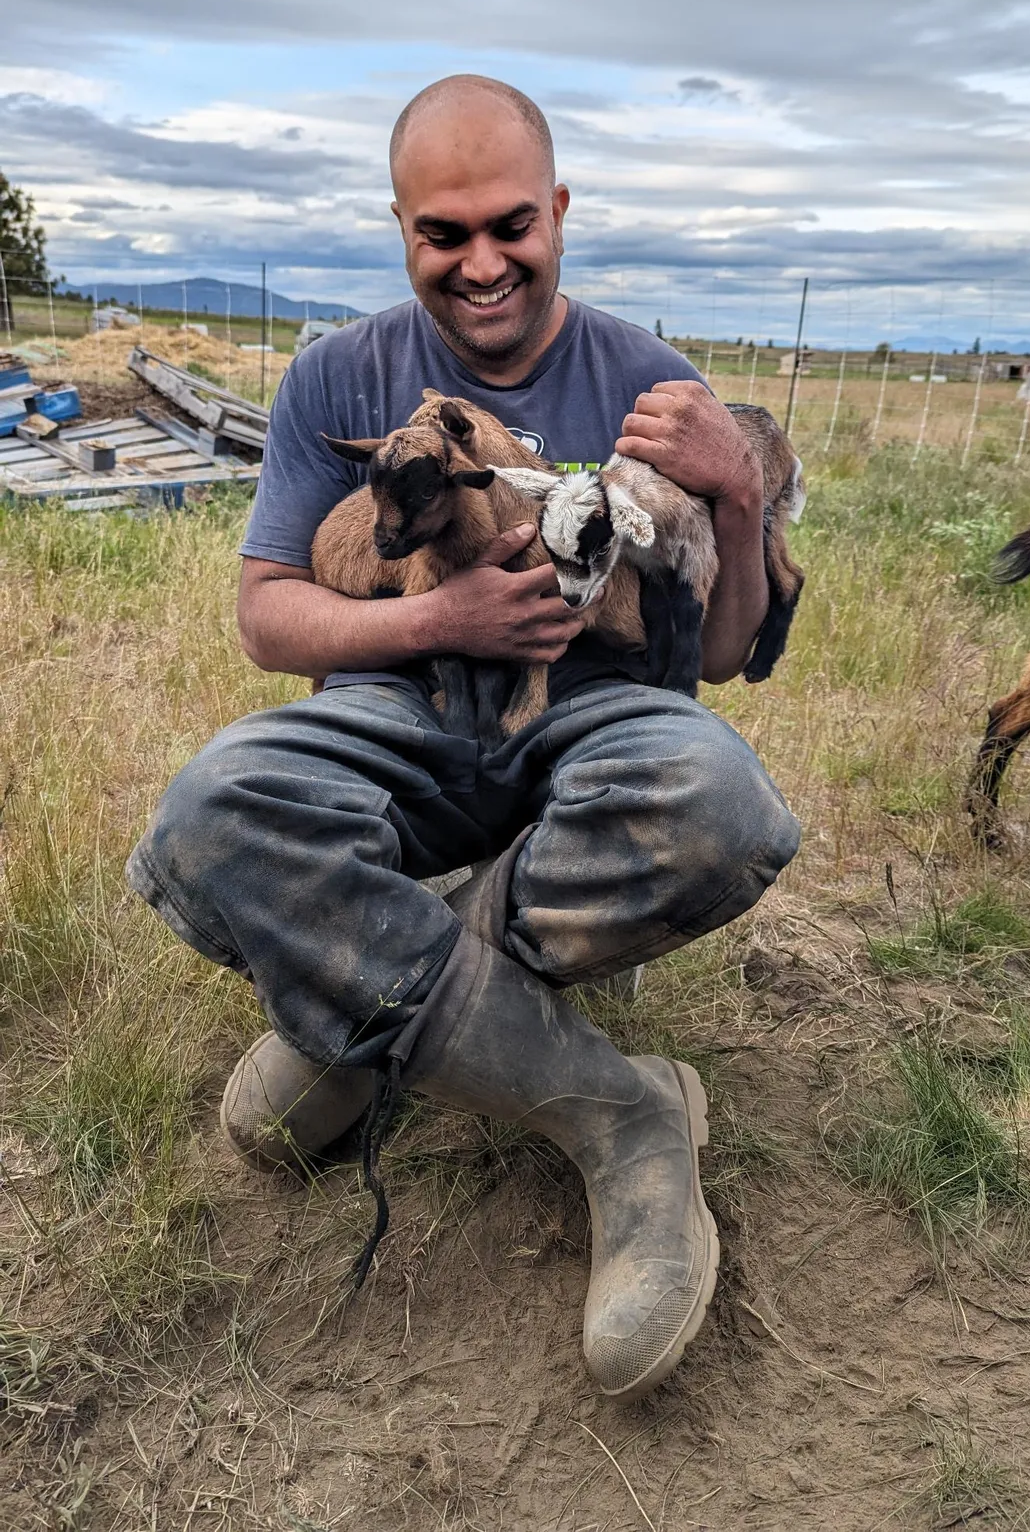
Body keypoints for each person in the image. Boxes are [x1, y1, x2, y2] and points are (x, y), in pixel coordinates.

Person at [127, 75, 800, 1400]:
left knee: (720, 799)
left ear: (557, 211)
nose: (481, 261)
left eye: (509, 225)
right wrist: (443, 613)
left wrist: (734, 481)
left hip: (592, 722)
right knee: (212, 816)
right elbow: (271, 618)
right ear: (400, 227)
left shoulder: (656, 379)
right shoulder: (340, 373)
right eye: (444, 233)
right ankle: (621, 1109)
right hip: (402, 719)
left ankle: (377, 996)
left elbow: (724, 655)